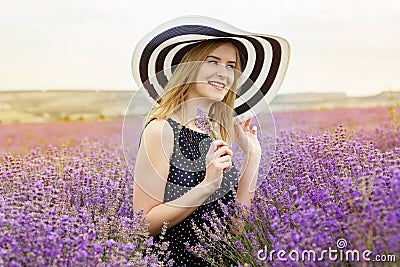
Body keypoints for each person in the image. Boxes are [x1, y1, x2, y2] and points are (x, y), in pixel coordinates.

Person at [131, 16, 290, 266]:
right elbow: (143, 225)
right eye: (212, 61)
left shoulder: (216, 132)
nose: (223, 73)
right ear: (189, 68)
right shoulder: (162, 130)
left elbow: (235, 228)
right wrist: (205, 186)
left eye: (230, 65)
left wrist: (252, 157)